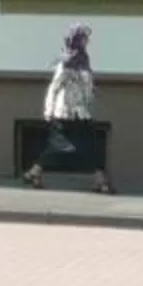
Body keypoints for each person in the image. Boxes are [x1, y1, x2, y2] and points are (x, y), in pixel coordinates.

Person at [25, 22, 111, 192]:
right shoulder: (65, 63)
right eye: (84, 38)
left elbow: (87, 84)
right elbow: (54, 87)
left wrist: (91, 92)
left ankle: (100, 181)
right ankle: (36, 171)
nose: (87, 41)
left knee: (93, 146)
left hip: (82, 112)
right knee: (59, 146)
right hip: (64, 113)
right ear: (76, 39)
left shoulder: (85, 60)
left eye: (87, 38)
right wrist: (48, 111)